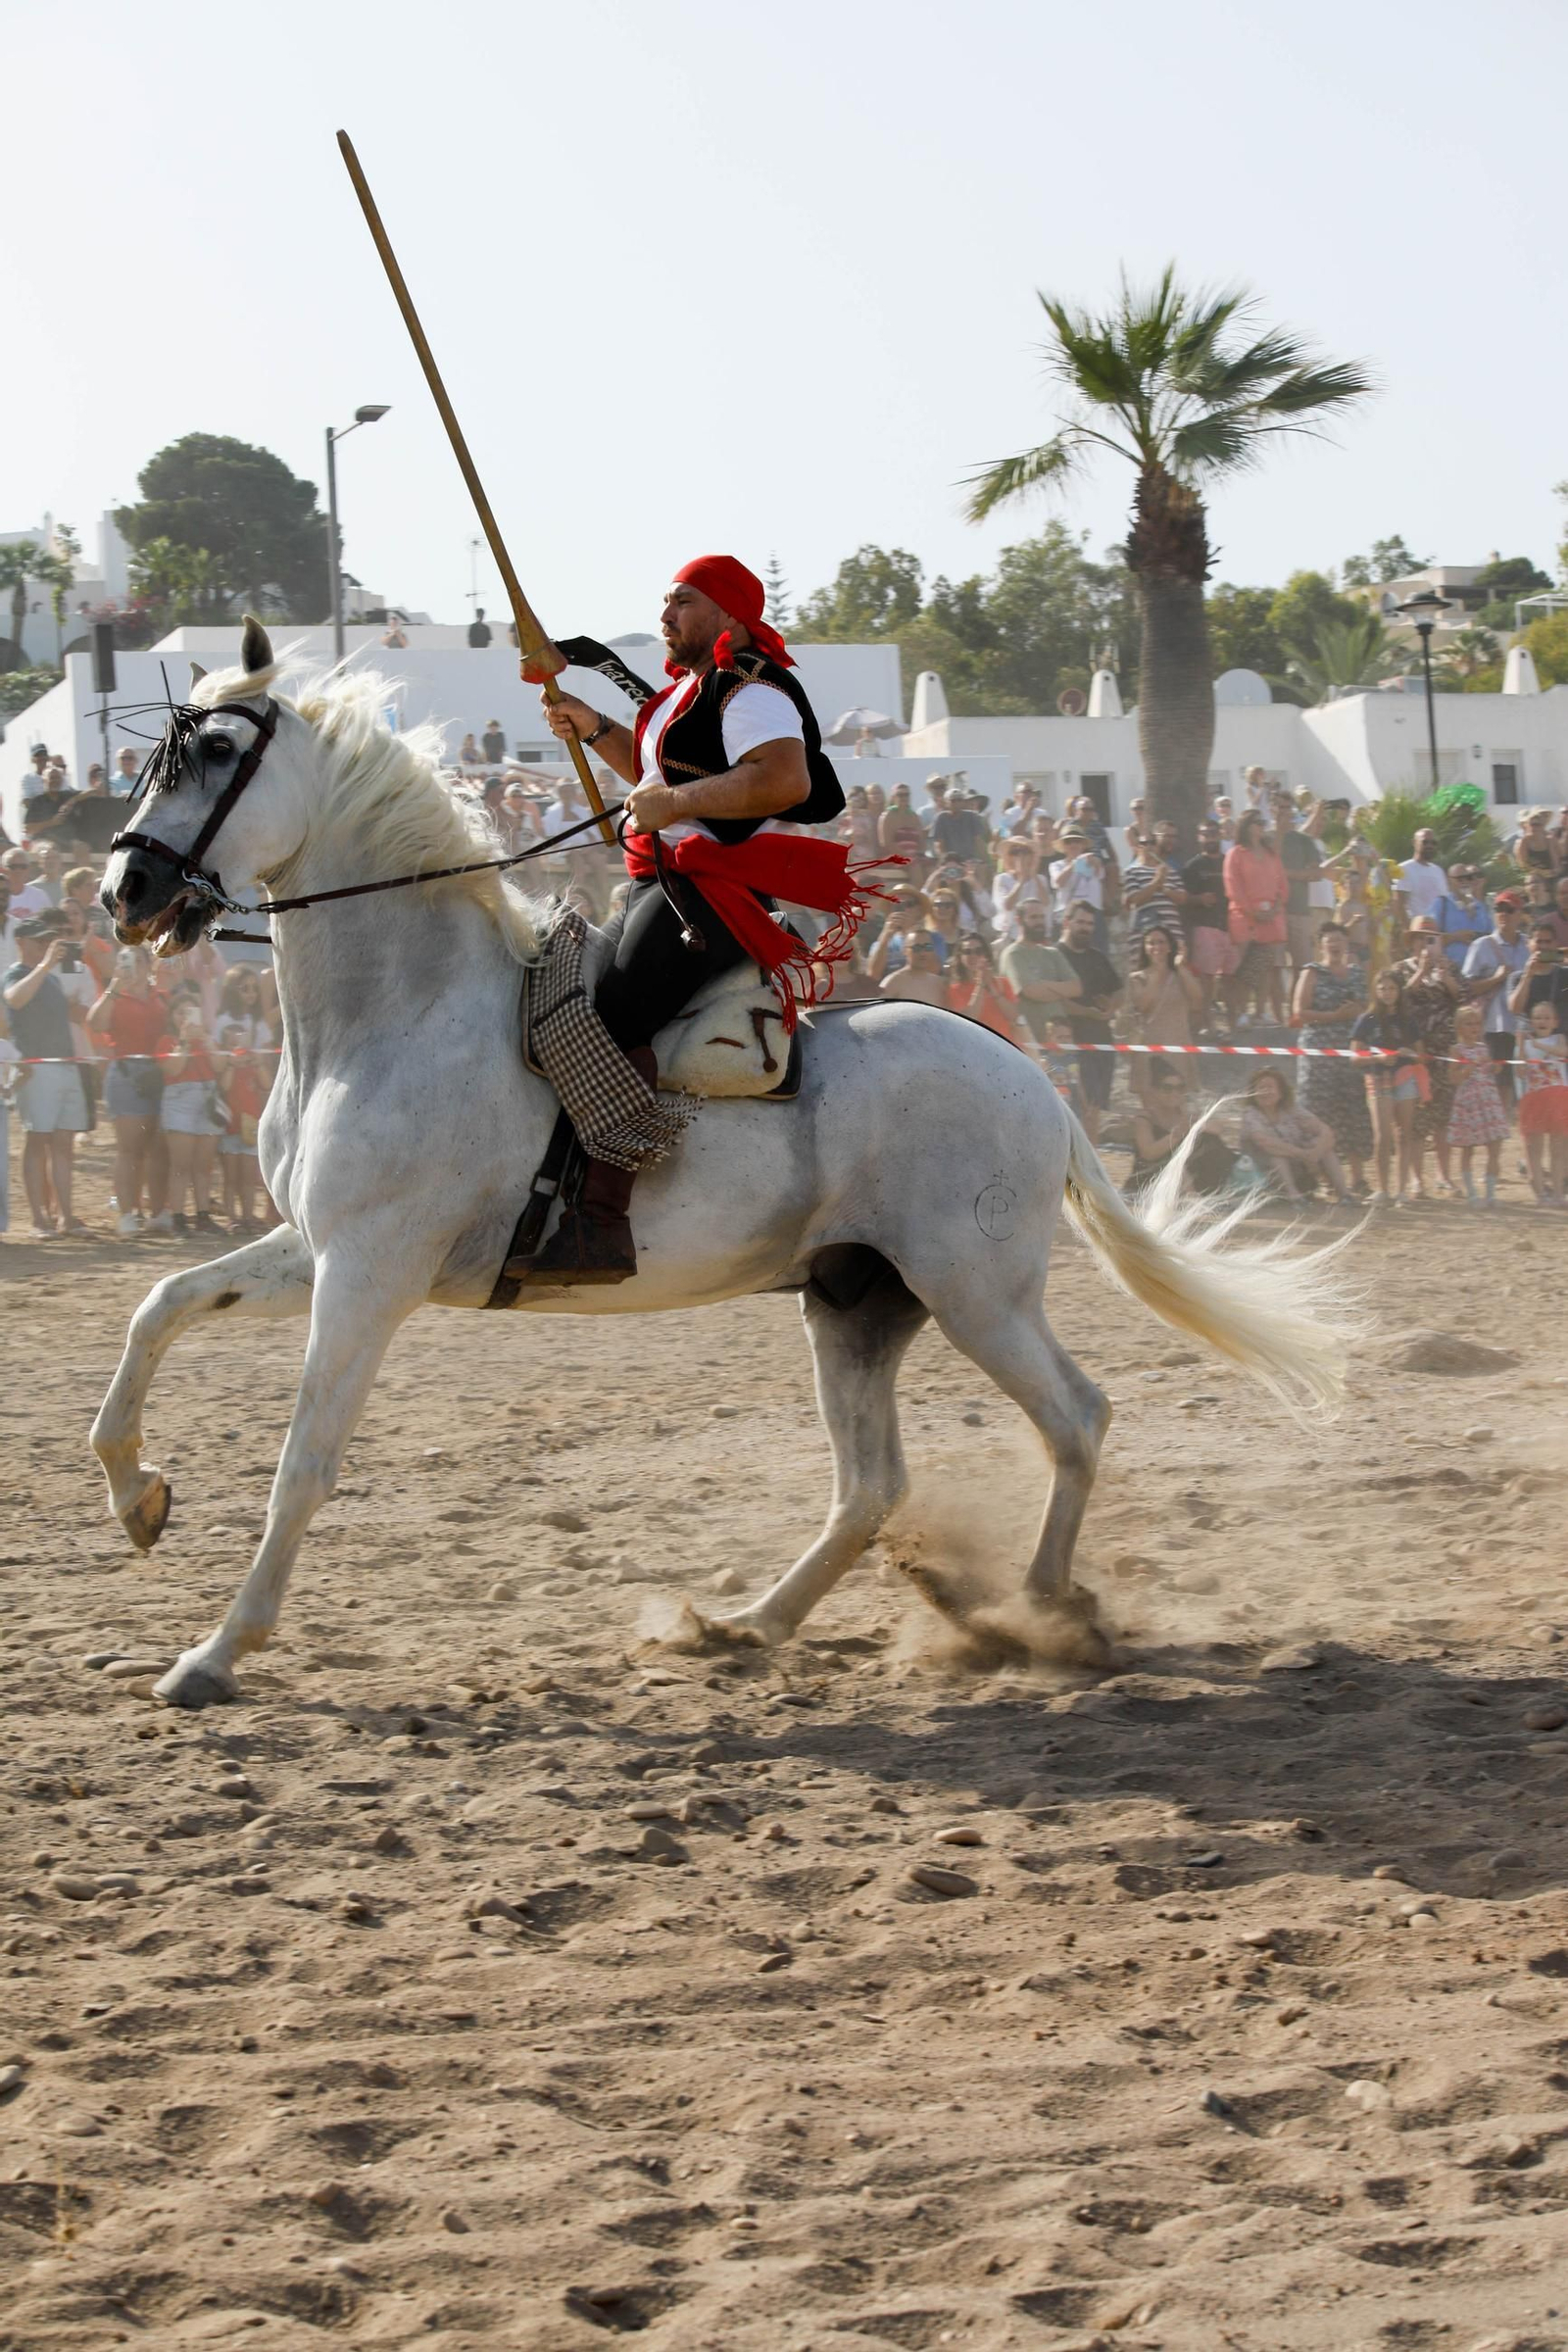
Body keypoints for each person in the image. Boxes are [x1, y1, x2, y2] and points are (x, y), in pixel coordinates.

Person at [514, 554, 852, 1283]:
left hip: (711, 894)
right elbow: (654, 779)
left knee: (607, 1018)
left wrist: (678, 805)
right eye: (665, 604)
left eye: (683, 603)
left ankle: (600, 1224)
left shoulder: (750, 685)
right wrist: (595, 725)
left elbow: (783, 778)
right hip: (662, 885)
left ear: (727, 615)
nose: (666, 617)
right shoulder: (686, 695)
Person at [3, 911, 91, 1235]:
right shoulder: (16, 974)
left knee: (63, 1144)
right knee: (37, 1142)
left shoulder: (51, 978)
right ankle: (39, 1218)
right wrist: (43, 966)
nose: (45, 945)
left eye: (47, 940)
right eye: (39, 941)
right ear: (21, 942)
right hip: (37, 1068)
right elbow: (14, 1000)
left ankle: (65, 1216)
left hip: (64, 1064)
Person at [88, 946, 172, 1234]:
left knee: (158, 1148)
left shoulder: (161, 996)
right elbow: (95, 1024)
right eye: (128, 960)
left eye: (139, 959)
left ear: (149, 964)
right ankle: (127, 1212)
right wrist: (114, 984)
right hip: (126, 1073)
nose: (134, 965)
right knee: (130, 1148)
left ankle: (159, 1211)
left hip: (159, 1073)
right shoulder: (116, 996)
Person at [1293, 921, 1371, 1190]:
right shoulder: (1312, 972)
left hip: (1350, 1051)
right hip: (1318, 1054)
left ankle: (1358, 1177)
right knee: (1319, 1113)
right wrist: (1334, 1016)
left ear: (1347, 943)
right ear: (1321, 945)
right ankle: (1323, 1178)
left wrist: (1356, 1012)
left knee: (1353, 1110)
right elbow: (1299, 1012)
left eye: (1339, 939)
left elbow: (1367, 1007)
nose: (1335, 945)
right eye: (1329, 940)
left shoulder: (1357, 974)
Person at [1396, 915, 1463, 1197]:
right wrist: (1421, 972)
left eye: (1431, 937)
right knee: (1415, 1120)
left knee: (1444, 1116)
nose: (1426, 942)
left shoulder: (1450, 967)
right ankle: (1416, 1179)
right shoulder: (1400, 969)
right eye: (1421, 937)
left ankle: (1444, 1176)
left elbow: (1463, 999)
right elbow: (1398, 999)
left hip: (1445, 1050)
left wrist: (1445, 977)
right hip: (1415, 1052)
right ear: (1411, 941)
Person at [1055, 898, 1123, 1145]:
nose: (1085, 928)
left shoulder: (1098, 957)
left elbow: (1119, 990)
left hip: (1100, 1042)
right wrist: (1088, 1013)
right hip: (1066, 1046)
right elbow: (1057, 1001)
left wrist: (1111, 1006)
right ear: (1067, 922)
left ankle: (1088, 1171)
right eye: (1080, 922)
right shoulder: (1055, 956)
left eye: (1090, 924)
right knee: (1067, 1110)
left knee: (1092, 1110)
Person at [1352, 967, 1422, 1205]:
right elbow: (1354, 1056)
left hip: (1404, 1076)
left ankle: (1402, 1190)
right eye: (1382, 988)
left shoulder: (1408, 1020)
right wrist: (1377, 1059)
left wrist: (1407, 1053)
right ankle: (1383, 1190)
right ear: (1375, 991)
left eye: (1392, 988)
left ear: (1399, 991)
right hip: (1377, 1077)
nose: (1387, 993)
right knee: (1382, 1135)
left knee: (1404, 1133)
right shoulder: (1367, 1020)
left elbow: (1421, 1055)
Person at [160, 1000, 230, 1234]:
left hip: (206, 1097)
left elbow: (220, 1065)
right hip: (179, 1099)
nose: (186, 1017)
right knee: (180, 1165)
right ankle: (178, 1217)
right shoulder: (166, 1041)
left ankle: (203, 1215)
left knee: (203, 1166)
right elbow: (173, 1069)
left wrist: (206, 1040)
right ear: (172, 1015)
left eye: (191, 1012)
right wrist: (184, 1042)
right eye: (180, 1012)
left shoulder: (208, 1039)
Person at [1240, 1066, 1354, 1204]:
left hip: (1297, 1167)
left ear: (1281, 1092)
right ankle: (1294, 1196)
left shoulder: (1291, 1109)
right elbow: (1265, 1143)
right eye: (1261, 1088)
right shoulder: (1251, 1114)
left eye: (1270, 1087)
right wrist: (1302, 1154)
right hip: (1263, 1172)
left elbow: (1325, 1131)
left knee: (1326, 1150)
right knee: (1277, 1157)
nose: (1265, 1092)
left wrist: (1315, 1153)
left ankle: (1344, 1195)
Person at [1462, 890, 1530, 1108]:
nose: (1504, 914)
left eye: (1509, 910)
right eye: (1499, 909)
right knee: (1498, 1084)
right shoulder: (1481, 946)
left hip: (1525, 1026)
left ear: (1519, 914)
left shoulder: (1530, 946)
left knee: (1522, 1083)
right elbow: (1467, 988)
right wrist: (1496, 978)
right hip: (1494, 1026)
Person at [1223, 809, 1288, 1027]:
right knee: (1246, 967)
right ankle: (1241, 1012)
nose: (1262, 826)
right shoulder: (1236, 853)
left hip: (1271, 916)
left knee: (1266, 966)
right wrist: (1252, 913)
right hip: (1244, 917)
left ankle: (1261, 1012)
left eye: (1263, 822)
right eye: (1258, 822)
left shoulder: (1272, 854)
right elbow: (1233, 886)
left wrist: (1275, 908)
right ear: (1248, 826)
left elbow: (1282, 885)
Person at [1127, 1067, 1234, 1197]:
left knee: (1210, 1141)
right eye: (1167, 1088)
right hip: (1153, 1173)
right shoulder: (1145, 1118)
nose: (1174, 1093)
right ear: (1155, 1092)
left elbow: (1217, 1128)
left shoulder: (1185, 1116)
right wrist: (1177, 1135)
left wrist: (1196, 1126)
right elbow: (1148, 1153)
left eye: (1180, 1088)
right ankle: (1191, 1194)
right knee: (1171, 1155)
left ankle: (1221, 1188)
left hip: (1183, 1174)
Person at [1446, 1000, 1510, 1207]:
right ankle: (1472, 1193)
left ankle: (1490, 1194)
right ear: (1459, 1028)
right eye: (1468, 1024)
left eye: (1476, 1024)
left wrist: (1493, 1068)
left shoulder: (1484, 1048)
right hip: (1469, 1104)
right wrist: (1469, 1068)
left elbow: (1491, 1071)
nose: (1474, 1028)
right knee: (1468, 1149)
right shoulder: (1456, 1050)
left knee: (1495, 1146)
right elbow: (1453, 1078)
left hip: (1488, 1101)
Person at [1000, 898, 1083, 1050]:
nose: (1039, 922)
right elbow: (1032, 992)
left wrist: (1045, 984)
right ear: (1019, 920)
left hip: (1060, 1044)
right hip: (1030, 1042)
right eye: (1033, 917)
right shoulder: (1013, 954)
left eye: (1042, 917)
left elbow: (1076, 988)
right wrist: (1061, 991)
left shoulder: (1053, 953)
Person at [1126, 923, 1201, 1074]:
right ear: (1145, 948)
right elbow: (1142, 1006)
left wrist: (1180, 967)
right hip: (1149, 1048)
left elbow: (1198, 1000)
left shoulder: (1180, 975)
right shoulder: (1137, 978)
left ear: (1169, 946)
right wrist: (1158, 972)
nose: (1157, 947)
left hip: (1177, 1046)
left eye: (1161, 942)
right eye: (1151, 943)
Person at [1181, 818, 1236, 1022]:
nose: (1210, 837)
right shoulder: (1193, 866)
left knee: (1231, 979)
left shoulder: (1229, 861)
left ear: (1220, 834)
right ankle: (1206, 1024)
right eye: (1205, 834)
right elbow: (1183, 898)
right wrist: (1199, 899)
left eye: (1213, 833)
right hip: (1205, 927)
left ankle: (1233, 1023)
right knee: (1206, 980)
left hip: (1230, 927)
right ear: (1199, 837)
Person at [1518, 999, 1568, 1205]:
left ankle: (1558, 1193)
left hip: (1558, 1098)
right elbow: (1520, 1072)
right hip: (1535, 1099)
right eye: (1537, 1017)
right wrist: (1521, 1047)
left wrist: (1537, 1044)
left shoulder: (1559, 1038)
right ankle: (1541, 1195)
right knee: (1534, 1149)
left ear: (1555, 1021)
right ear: (1531, 1021)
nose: (1542, 1021)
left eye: (1547, 1017)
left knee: (1559, 1149)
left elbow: (1564, 1053)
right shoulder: (1525, 1044)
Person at [1121, 823, 1186, 947]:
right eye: (1145, 843)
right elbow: (1135, 900)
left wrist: (1166, 891)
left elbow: (1182, 898)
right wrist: (1157, 881)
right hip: (1144, 936)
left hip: (1173, 934)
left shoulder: (1169, 870)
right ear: (1139, 847)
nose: (1149, 846)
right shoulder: (1131, 871)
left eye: (1153, 843)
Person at [947, 932, 1020, 1041]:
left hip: (1004, 1045)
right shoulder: (954, 990)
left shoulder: (1003, 983)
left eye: (978, 951)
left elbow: (1014, 1016)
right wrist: (980, 985)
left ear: (986, 954)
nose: (973, 956)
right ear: (960, 957)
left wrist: (991, 986)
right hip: (976, 1045)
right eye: (967, 952)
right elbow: (968, 1019)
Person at [1508, 920, 1568, 1033]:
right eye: (1539, 942)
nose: (1543, 946)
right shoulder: (1517, 977)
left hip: (1560, 1043)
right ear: (1528, 943)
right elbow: (1515, 1009)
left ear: (1555, 943)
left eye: (1548, 942)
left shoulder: (1564, 974)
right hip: (1529, 1043)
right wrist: (1528, 975)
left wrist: (1559, 957)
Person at [1394, 828, 1448, 942]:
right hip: (1417, 935)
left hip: (1439, 934)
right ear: (1414, 843)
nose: (1430, 845)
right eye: (1425, 842)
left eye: (1433, 843)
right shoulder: (1404, 869)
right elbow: (1398, 905)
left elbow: (1444, 904)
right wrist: (1410, 932)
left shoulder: (1438, 871)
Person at [1433, 863, 1493, 969]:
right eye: (1460, 879)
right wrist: (1455, 937)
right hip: (1452, 973)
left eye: (1469, 878)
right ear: (1449, 881)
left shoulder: (1480, 906)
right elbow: (1428, 940)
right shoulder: (1441, 904)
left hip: (1482, 972)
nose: (1465, 882)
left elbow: (1493, 937)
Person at [992, 838, 1050, 945]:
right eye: (1015, 852)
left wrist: (1033, 875)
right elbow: (1007, 906)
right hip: (1009, 936)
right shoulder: (1001, 879)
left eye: (1025, 852)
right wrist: (1021, 880)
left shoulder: (1041, 879)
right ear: (1009, 857)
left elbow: (1046, 902)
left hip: (1035, 935)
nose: (1020, 856)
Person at [877, 929, 948, 1005]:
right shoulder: (893, 982)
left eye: (928, 947)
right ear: (904, 951)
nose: (923, 953)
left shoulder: (939, 984)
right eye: (917, 948)